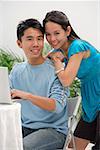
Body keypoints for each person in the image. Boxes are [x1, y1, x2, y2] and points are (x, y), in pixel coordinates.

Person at [43, 10, 100, 150]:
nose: (52, 39)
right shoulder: (61, 50)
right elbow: (41, 63)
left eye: (57, 33)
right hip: (91, 98)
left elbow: (67, 80)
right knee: (73, 147)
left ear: (67, 30)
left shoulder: (77, 46)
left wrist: (57, 62)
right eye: (48, 34)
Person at [9, 18, 69, 150]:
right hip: (24, 127)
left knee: (22, 147)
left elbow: (57, 106)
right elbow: (5, 97)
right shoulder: (16, 70)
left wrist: (27, 96)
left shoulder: (57, 70)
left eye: (40, 38)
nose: (36, 44)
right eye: (30, 39)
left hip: (53, 131)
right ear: (19, 43)